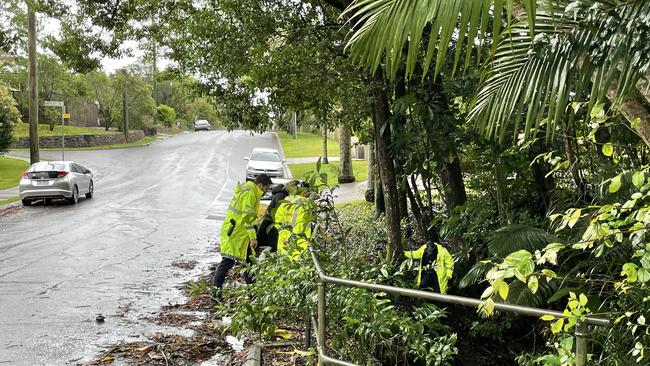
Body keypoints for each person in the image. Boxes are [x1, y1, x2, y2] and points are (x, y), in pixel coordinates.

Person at [213, 174, 272, 289]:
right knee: (227, 262)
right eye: (266, 188)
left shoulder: (248, 190)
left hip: (238, 231)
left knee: (248, 262)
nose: (266, 191)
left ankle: (252, 290)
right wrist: (253, 237)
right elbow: (247, 216)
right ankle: (216, 290)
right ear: (260, 185)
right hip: (236, 233)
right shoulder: (250, 193)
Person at [404, 226, 454, 294]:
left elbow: (450, 262)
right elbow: (416, 254)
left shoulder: (442, 250)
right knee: (422, 287)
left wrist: (449, 274)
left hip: (438, 275)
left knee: (439, 291)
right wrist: (404, 253)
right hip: (426, 273)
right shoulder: (424, 248)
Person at [275, 181, 314, 257]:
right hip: (299, 243)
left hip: (283, 241)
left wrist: (285, 234)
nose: (307, 195)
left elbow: (278, 221)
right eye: (306, 192)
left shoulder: (285, 202)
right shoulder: (304, 203)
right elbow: (302, 222)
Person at [256, 181, 297, 252]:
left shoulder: (280, 194)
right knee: (273, 248)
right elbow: (279, 214)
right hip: (271, 227)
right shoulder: (281, 196)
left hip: (269, 225)